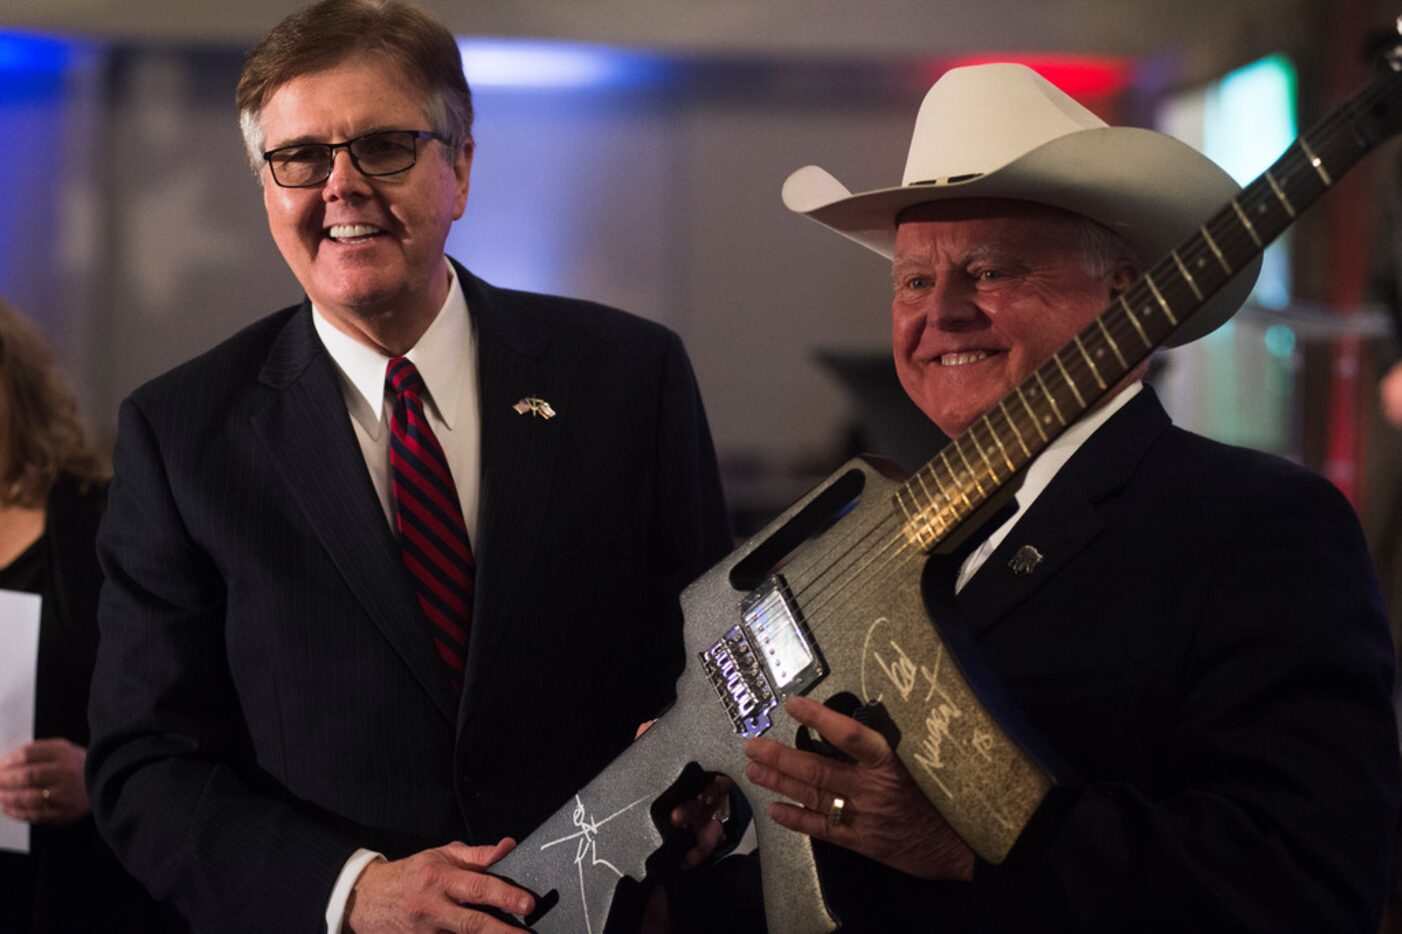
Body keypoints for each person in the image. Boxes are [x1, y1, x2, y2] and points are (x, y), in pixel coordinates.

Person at [83, 2, 731, 932]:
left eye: (384, 147)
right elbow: (144, 768)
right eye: (301, 157)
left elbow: (713, 663)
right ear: (268, 191)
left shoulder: (631, 378)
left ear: (461, 168)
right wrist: (352, 892)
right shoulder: (181, 433)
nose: (340, 186)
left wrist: (706, 784)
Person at [742, 63, 1401, 930]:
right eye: (911, 280)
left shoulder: (1258, 526)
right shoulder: (874, 536)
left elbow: (1308, 882)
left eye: (990, 270)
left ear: (1125, 291)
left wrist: (975, 843)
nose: (941, 312)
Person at [0, 299, 179, 932]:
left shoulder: (106, 523)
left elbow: (189, 714)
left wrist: (99, 780)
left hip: (79, 893)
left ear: (18, 393)